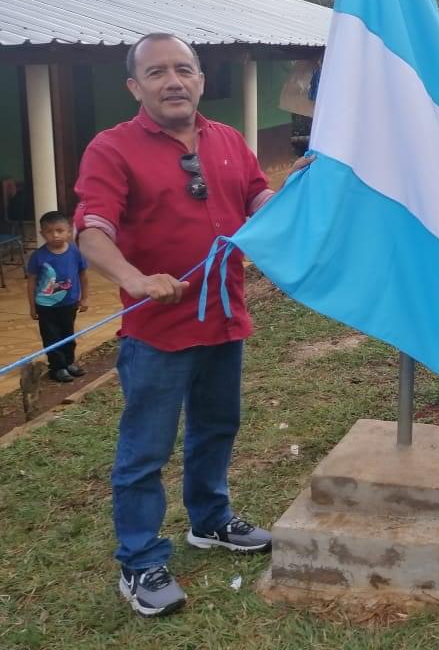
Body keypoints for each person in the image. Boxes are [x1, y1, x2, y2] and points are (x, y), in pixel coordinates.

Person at [74, 33, 303, 617]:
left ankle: (211, 519)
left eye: (184, 69)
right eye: (156, 73)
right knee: (145, 452)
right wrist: (135, 276)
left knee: (218, 426)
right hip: (158, 330)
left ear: (201, 78)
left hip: (225, 319)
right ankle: (141, 560)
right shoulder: (112, 148)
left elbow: (255, 197)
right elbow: (91, 229)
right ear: (135, 86)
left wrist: (288, 194)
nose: (172, 81)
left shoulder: (227, 140)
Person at [26, 210, 89, 383]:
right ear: (42, 233)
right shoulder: (38, 256)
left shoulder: (75, 252)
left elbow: (83, 276)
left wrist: (84, 298)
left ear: (69, 231)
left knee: (68, 334)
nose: (55, 235)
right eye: (49, 231)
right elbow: (31, 282)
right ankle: (57, 367)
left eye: (60, 230)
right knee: (51, 336)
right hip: (45, 305)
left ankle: (69, 362)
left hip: (69, 303)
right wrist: (32, 306)